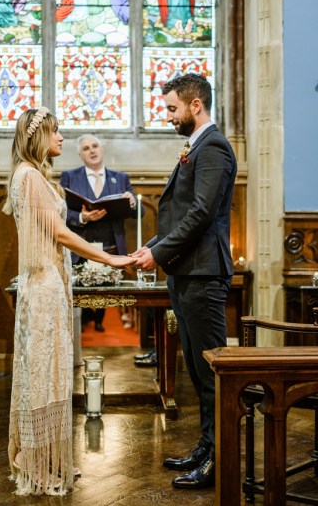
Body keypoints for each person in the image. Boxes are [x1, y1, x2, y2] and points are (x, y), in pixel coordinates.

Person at [3, 108, 134, 496]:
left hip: (51, 283)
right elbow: (59, 233)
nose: (61, 138)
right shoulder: (28, 176)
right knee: (43, 377)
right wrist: (109, 257)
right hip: (42, 286)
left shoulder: (35, 176)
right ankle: (38, 464)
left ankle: (51, 459)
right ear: (37, 137)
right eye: (55, 131)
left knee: (54, 373)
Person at [131, 73, 237, 490]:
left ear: (196, 106)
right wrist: (151, 246)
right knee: (196, 370)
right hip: (186, 271)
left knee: (213, 374)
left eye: (173, 108)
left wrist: (158, 253)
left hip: (204, 273)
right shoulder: (196, 147)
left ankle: (219, 460)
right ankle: (207, 446)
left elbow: (202, 214)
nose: (168, 116)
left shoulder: (213, 148)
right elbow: (180, 216)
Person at [60, 134, 139, 332]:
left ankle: (99, 321)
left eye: (95, 146)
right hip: (80, 249)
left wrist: (132, 202)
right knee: (78, 295)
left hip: (110, 248)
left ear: (102, 149)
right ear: (80, 154)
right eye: (86, 148)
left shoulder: (120, 178)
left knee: (106, 293)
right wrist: (81, 218)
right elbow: (59, 211)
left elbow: (139, 212)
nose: (92, 150)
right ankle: (80, 328)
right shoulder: (69, 177)